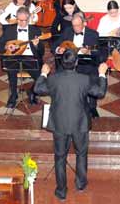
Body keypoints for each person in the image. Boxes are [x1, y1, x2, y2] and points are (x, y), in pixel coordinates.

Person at [34, 50, 108, 201]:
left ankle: (61, 191)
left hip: (59, 123)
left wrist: (43, 73)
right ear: (76, 63)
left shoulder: (54, 78)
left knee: (60, 157)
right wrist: (102, 74)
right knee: (81, 154)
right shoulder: (84, 79)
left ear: (62, 63)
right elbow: (100, 92)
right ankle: (80, 183)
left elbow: (38, 89)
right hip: (80, 123)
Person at [0, 6, 45, 108]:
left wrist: (36, 45)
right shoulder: (10, 30)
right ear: (16, 18)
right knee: (11, 70)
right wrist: (6, 46)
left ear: (29, 18)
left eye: (24, 20)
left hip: (31, 58)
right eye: (19, 20)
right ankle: (13, 95)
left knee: (41, 77)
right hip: (14, 58)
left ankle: (32, 92)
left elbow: (42, 52)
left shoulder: (35, 31)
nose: (22, 23)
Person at [52, 13, 101, 118]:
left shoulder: (93, 34)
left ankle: (92, 107)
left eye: (78, 25)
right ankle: (62, 105)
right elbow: (55, 45)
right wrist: (58, 49)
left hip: (86, 64)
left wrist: (89, 52)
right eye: (74, 25)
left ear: (84, 23)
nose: (76, 28)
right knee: (58, 77)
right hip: (69, 65)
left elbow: (98, 52)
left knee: (93, 78)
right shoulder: (67, 31)